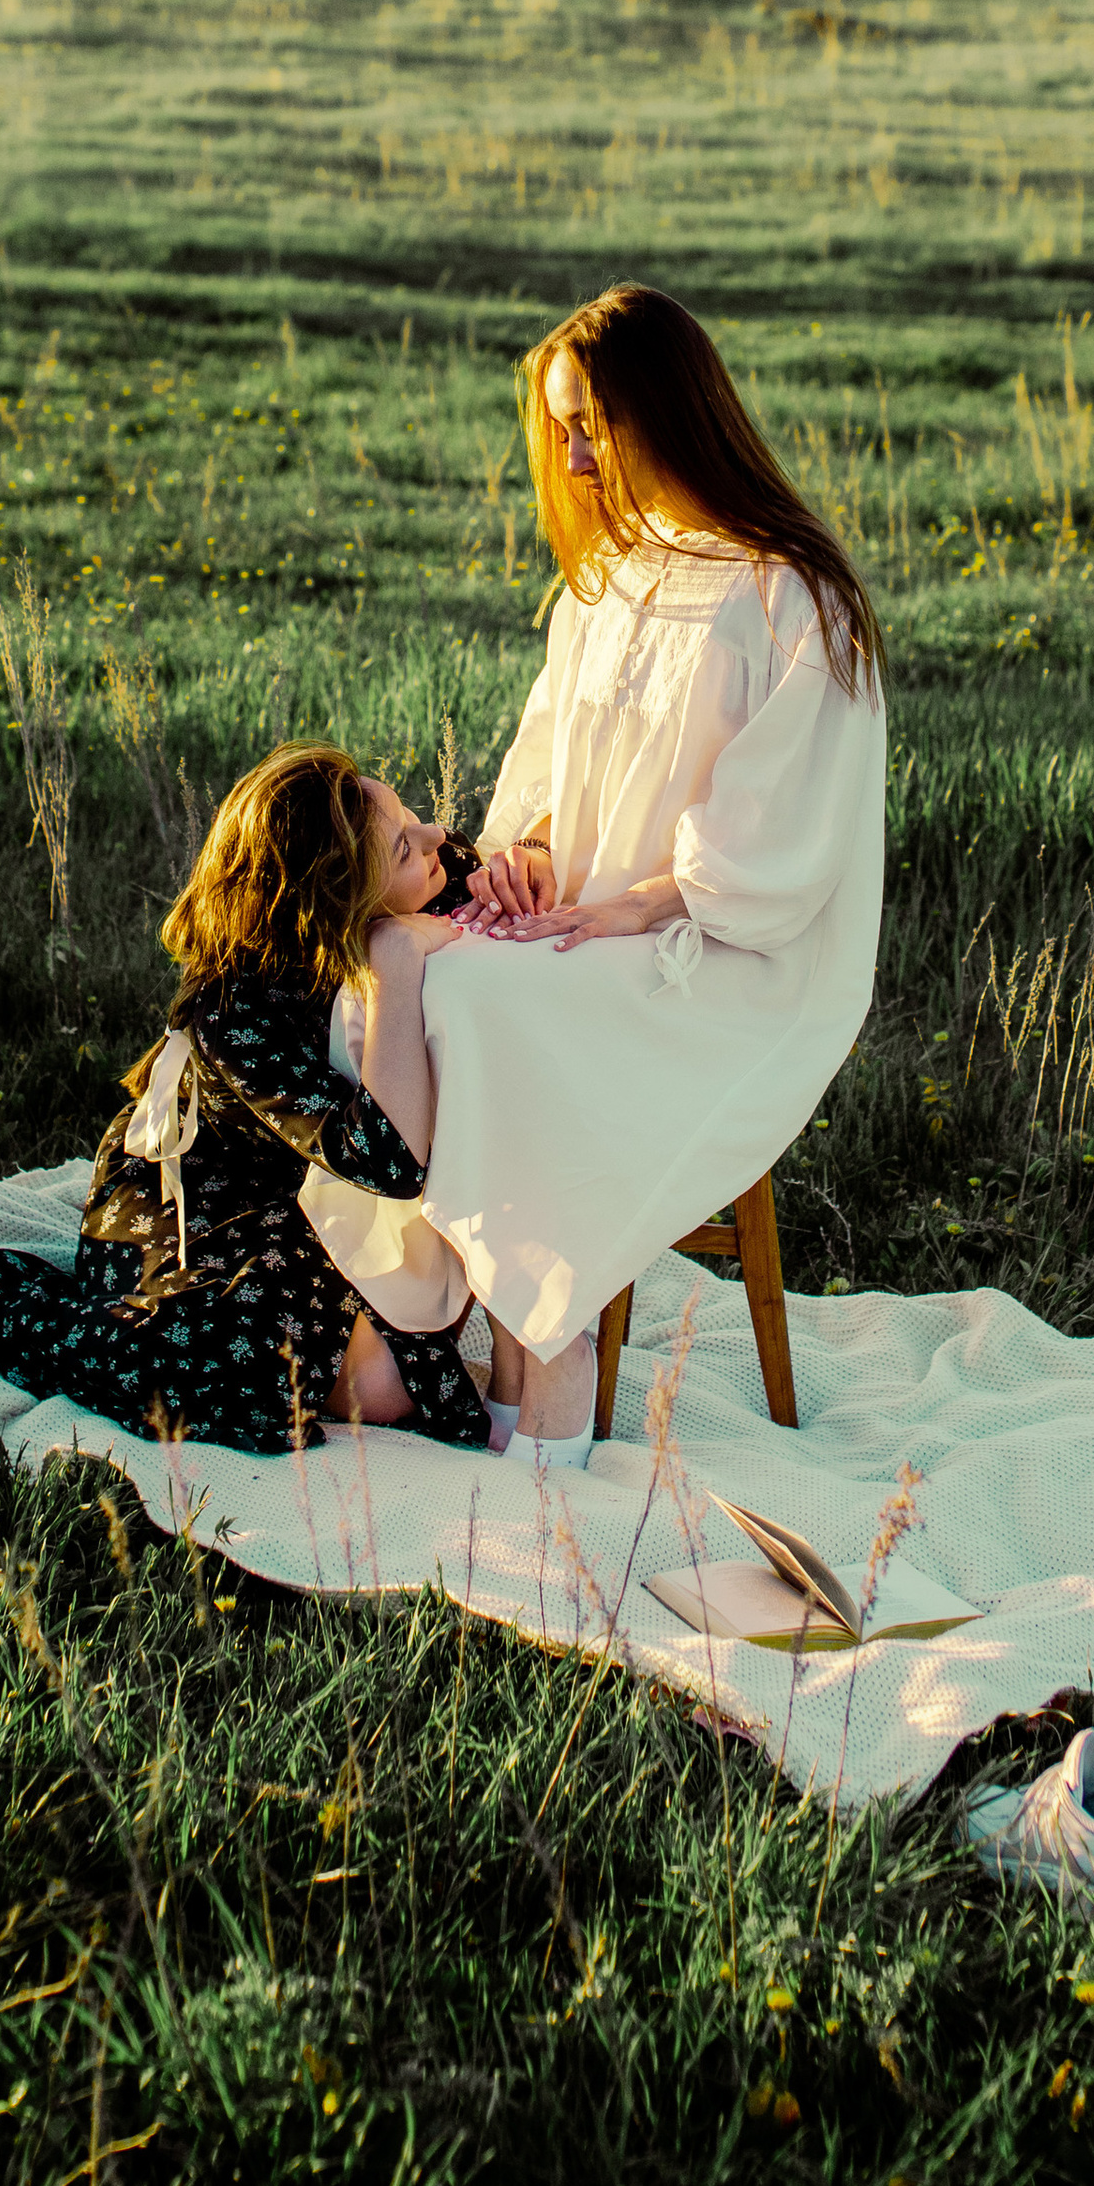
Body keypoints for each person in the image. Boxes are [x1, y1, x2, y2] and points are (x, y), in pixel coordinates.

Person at [299, 283, 887, 1457]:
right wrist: (525, 858)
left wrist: (623, 908)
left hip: (726, 955)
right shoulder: (609, 577)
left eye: (591, 423)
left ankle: (539, 1377)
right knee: (426, 987)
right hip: (593, 918)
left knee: (494, 1005)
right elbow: (549, 771)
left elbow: (782, 846)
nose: (571, 453)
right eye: (559, 423)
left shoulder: (790, 596)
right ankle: (496, 1360)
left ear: (664, 412)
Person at [0, 747, 490, 1455]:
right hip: (191, 1202)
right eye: (407, 843)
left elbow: (477, 864)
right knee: (234, 1376)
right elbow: (390, 1161)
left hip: (304, 1199)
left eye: (413, 820)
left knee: (390, 1368)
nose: (438, 838)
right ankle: (15, 1302)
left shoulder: (408, 880)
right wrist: (396, 967)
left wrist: (529, 855)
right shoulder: (240, 1006)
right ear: (338, 902)